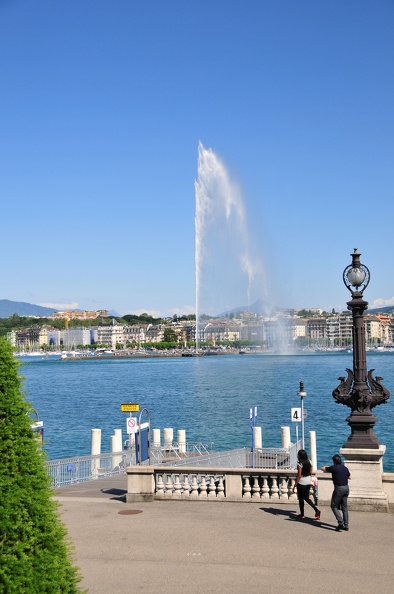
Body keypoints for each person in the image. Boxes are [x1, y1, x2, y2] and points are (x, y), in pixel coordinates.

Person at [321, 454, 351, 532]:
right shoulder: (345, 468)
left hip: (339, 488)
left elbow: (323, 468)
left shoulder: (333, 468)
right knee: (344, 507)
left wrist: (328, 467)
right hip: (346, 488)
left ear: (334, 461)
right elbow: (350, 477)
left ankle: (340, 522)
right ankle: (346, 525)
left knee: (334, 505)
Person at [293, 449, 321, 520]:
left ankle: (302, 514)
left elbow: (299, 475)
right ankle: (316, 510)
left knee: (301, 499)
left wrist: (295, 485)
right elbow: (311, 469)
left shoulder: (300, 463)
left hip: (302, 481)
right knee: (306, 497)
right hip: (308, 480)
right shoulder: (309, 461)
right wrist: (309, 474)